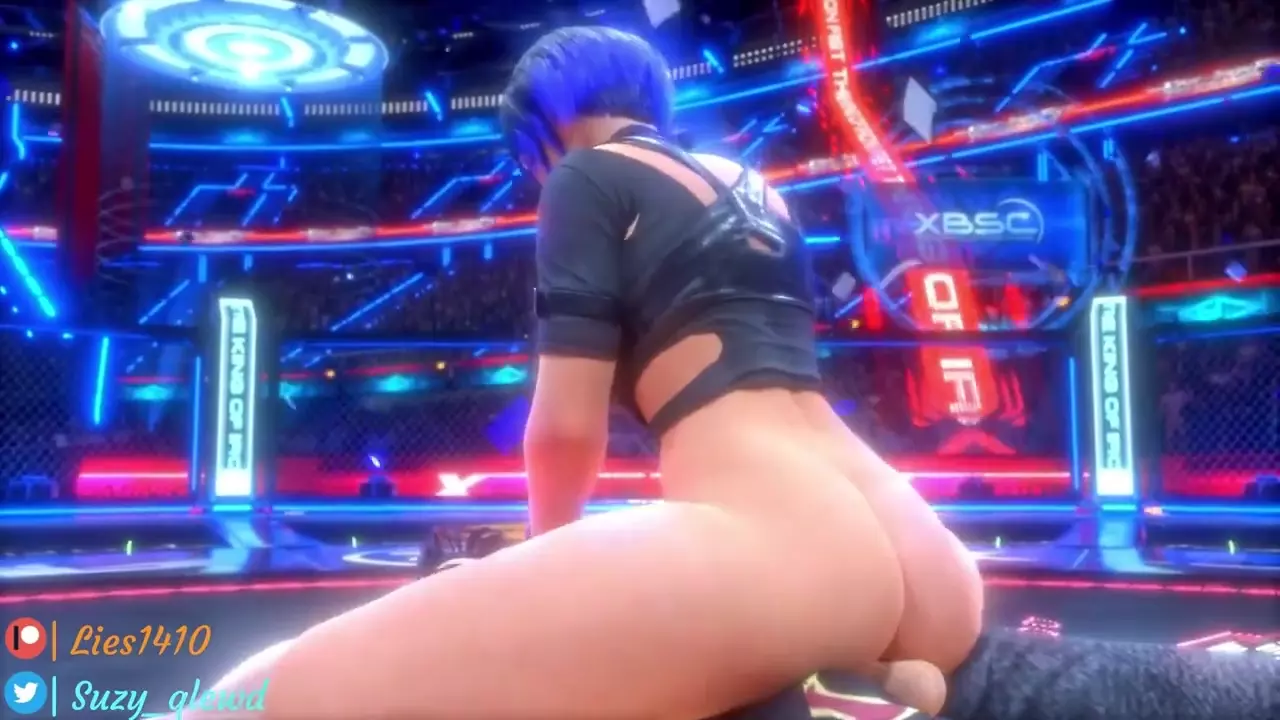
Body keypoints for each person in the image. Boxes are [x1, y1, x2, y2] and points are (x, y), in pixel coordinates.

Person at [158, 26, 981, 719]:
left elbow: (565, 428)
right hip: (920, 559)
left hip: (786, 547)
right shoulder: (758, 188)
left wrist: (545, 570)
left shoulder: (587, 176)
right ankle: (863, 668)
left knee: (271, 689)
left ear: (543, 133)